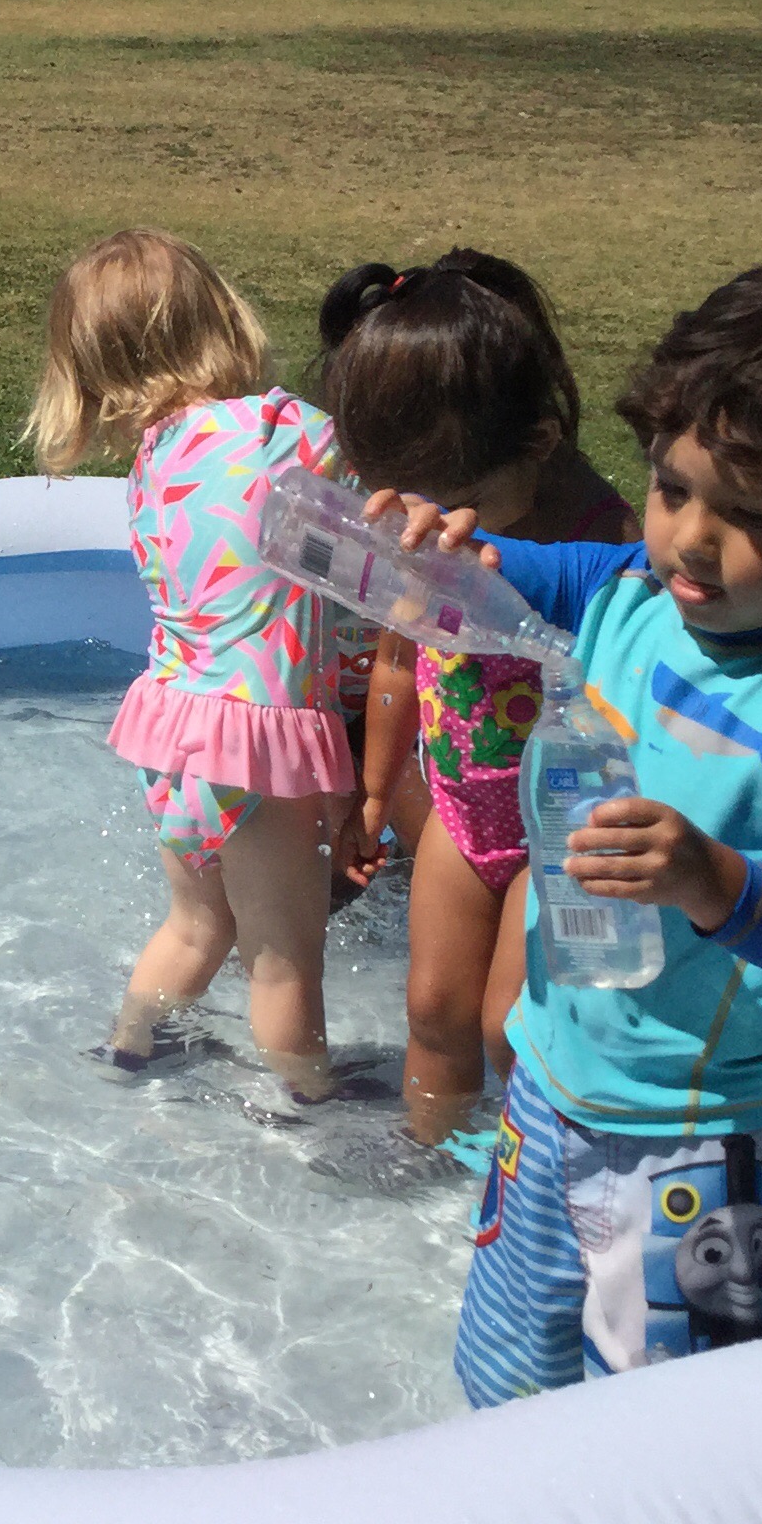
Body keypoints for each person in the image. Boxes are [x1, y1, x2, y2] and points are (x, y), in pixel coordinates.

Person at [373, 255, 762, 1400]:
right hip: (552, 1094)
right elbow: (495, 569)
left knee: (686, 1433)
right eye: (672, 488)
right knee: (507, 1387)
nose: (693, 538)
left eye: (752, 515)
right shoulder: (623, 594)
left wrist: (712, 880)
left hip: (713, 1149)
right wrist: (429, 543)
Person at [27, 229, 356, 1113]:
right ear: (222, 318)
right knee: (283, 957)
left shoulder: (155, 460)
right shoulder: (283, 431)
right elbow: (379, 494)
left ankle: (127, 1051)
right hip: (257, 738)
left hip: (175, 731)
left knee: (195, 924)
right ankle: (310, 1108)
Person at [317, 252, 638, 1151]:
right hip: (461, 814)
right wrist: (373, 794)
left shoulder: (602, 540)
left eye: (459, 502)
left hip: (557, 823)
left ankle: (524, 1171)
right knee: (433, 1007)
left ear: (539, 443)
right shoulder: (440, 511)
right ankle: (427, 1159)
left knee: (508, 1023)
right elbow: (395, 660)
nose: (442, 525)